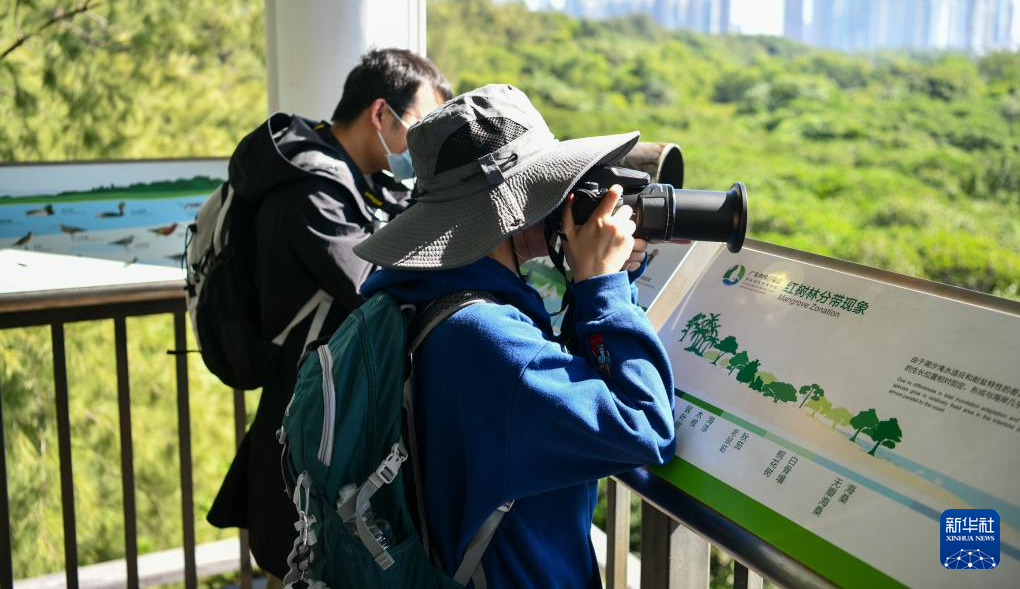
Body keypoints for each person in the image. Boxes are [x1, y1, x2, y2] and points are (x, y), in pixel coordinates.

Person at [355, 84, 676, 588]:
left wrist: (593, 287)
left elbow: (550, 391)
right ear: (516, 207)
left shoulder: (421, 297)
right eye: (549, 186)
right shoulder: (485, 337)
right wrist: (603, 288)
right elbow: (644, 428)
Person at [206, 48, 452, 582]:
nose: (423, 144)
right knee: (305, 562)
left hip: (325, 405)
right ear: (381, 114)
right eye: (422, 126)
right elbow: (374, 286)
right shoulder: (312, 192)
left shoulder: (354, 181)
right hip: (305, 414)